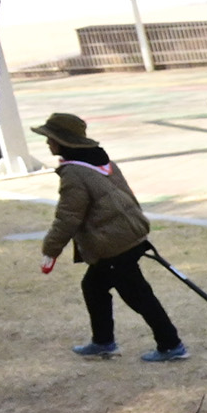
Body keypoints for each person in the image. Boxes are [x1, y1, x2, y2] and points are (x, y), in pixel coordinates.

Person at [35, 113, 183, 362]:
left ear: (62, 140)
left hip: (114, 244)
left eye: (50, 138)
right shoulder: (100, 159)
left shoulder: (74, 173)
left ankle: (171, 345)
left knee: (138, 295)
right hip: (127, 234)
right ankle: (103, 342)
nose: (47, 143)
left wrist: (51, 249)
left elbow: (69, 217)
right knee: (93, 287)